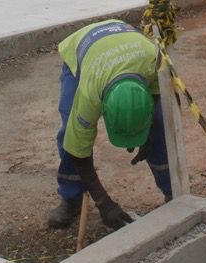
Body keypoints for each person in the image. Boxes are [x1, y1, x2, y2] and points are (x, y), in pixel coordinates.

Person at [47, 19, 172, 231]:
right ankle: (71, 197)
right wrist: (104, 203)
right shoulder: (90, 93)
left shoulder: (155, 62)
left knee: (160, 124)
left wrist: (148, 132)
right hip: (82, 49)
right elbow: (79, 151)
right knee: (70, 131)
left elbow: (156, 94)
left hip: (130, 47)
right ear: (103, 108)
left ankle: (172, 190)